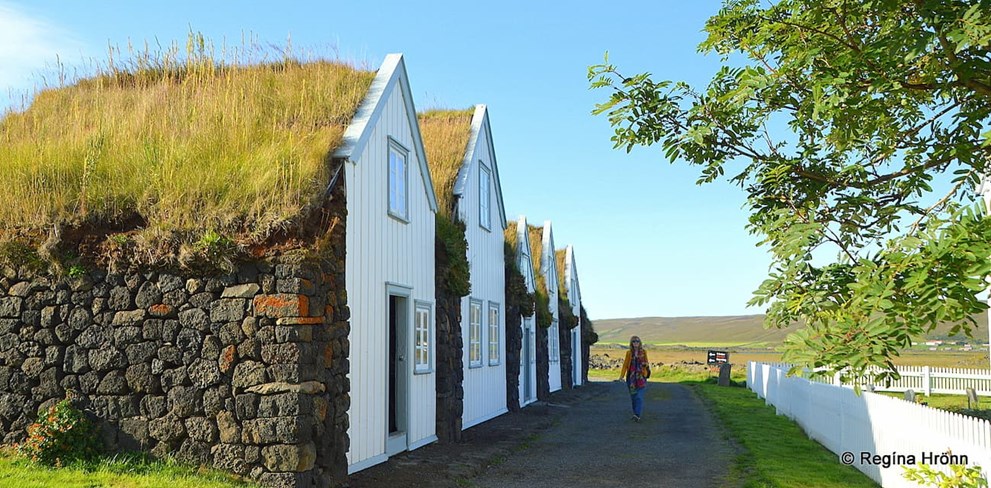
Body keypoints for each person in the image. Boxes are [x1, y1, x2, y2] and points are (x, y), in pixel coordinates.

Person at [617, 335, 650, 422]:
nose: (636, 343)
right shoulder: (629, 353)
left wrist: (645, 365)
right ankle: (635, 413)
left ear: (640, 343)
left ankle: (637, 415)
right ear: (631, 343)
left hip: (641, 378)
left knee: (639, 397)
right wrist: (621, 376)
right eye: (634, 341)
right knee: (634, 397)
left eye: (637, 341)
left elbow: (647, 363)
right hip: (631, 379)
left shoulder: (644, 352)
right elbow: (625, 365)